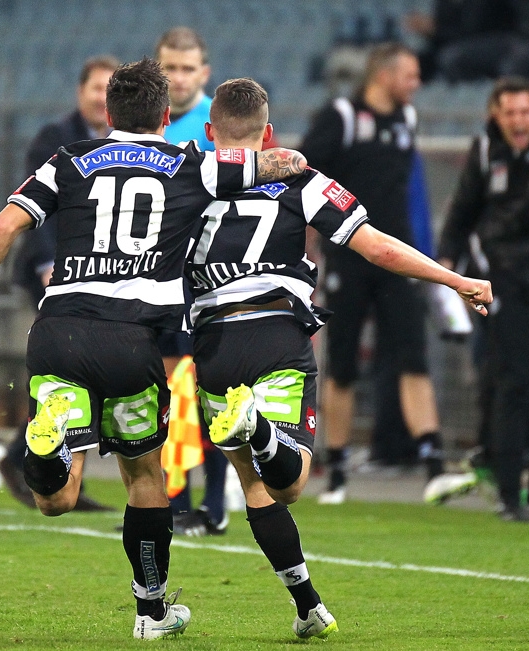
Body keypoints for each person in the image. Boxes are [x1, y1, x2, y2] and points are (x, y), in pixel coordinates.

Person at [0, 58, 308, 640]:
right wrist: (286, 160)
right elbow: (277, 164)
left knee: (57, 499)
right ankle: (151, 612)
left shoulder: (67, 162)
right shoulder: (192, 165)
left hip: (57, 331)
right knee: (143, 476)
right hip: (130, 344)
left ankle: (46, 450)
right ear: (165, 114)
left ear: (107, 113)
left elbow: (4, 227)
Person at [189, 78, 491, 639]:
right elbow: (375, 245)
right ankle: (261, 431)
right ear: (269, 134)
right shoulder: (302, 182)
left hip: (212, 345)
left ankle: (307, 607)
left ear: (211, 134)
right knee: (289, 482)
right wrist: (453, 279)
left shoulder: (184, 179)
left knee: (253, 487)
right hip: (277, 334)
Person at [431, 78, 529, 520]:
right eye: (510, 112)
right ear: (496, 116)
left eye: (526, 112)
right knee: (513, 384)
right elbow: (462, 213)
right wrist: (447, 267)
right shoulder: (486, 152)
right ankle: (508, 494)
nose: (519, 121)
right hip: (509, 282)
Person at [300, 43, 450, 503]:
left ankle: (434, 464)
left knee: (412, 354)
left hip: (397, 256)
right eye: (410, 75)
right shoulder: (341, 117)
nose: (417, 84)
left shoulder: (406, 120)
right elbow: (304, 179)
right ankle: (339, 470)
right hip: (348, 257)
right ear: (384, 76)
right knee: (342, 365)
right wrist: (308, 248)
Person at [1, 55, 120, 512]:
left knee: (79, 371)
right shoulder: (54, 139)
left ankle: (32, 459)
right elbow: (34, 204)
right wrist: (50, 264)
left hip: (98, 274)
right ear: (80, 91)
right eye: (95, 87)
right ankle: (44, 466)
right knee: (71, 368)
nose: (101, 96)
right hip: (53, 272)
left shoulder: (122, 141)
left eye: (110, 89)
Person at [155, 26, 229, 535]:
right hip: (159, 276)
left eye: (188, 69)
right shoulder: (144, 126)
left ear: (204, 73)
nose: (178, 78)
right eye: (170, 69)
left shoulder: (219, 124)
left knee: (210, 389)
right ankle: (176, 500)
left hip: (210, 275)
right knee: (167, 389)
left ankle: (215, 502)